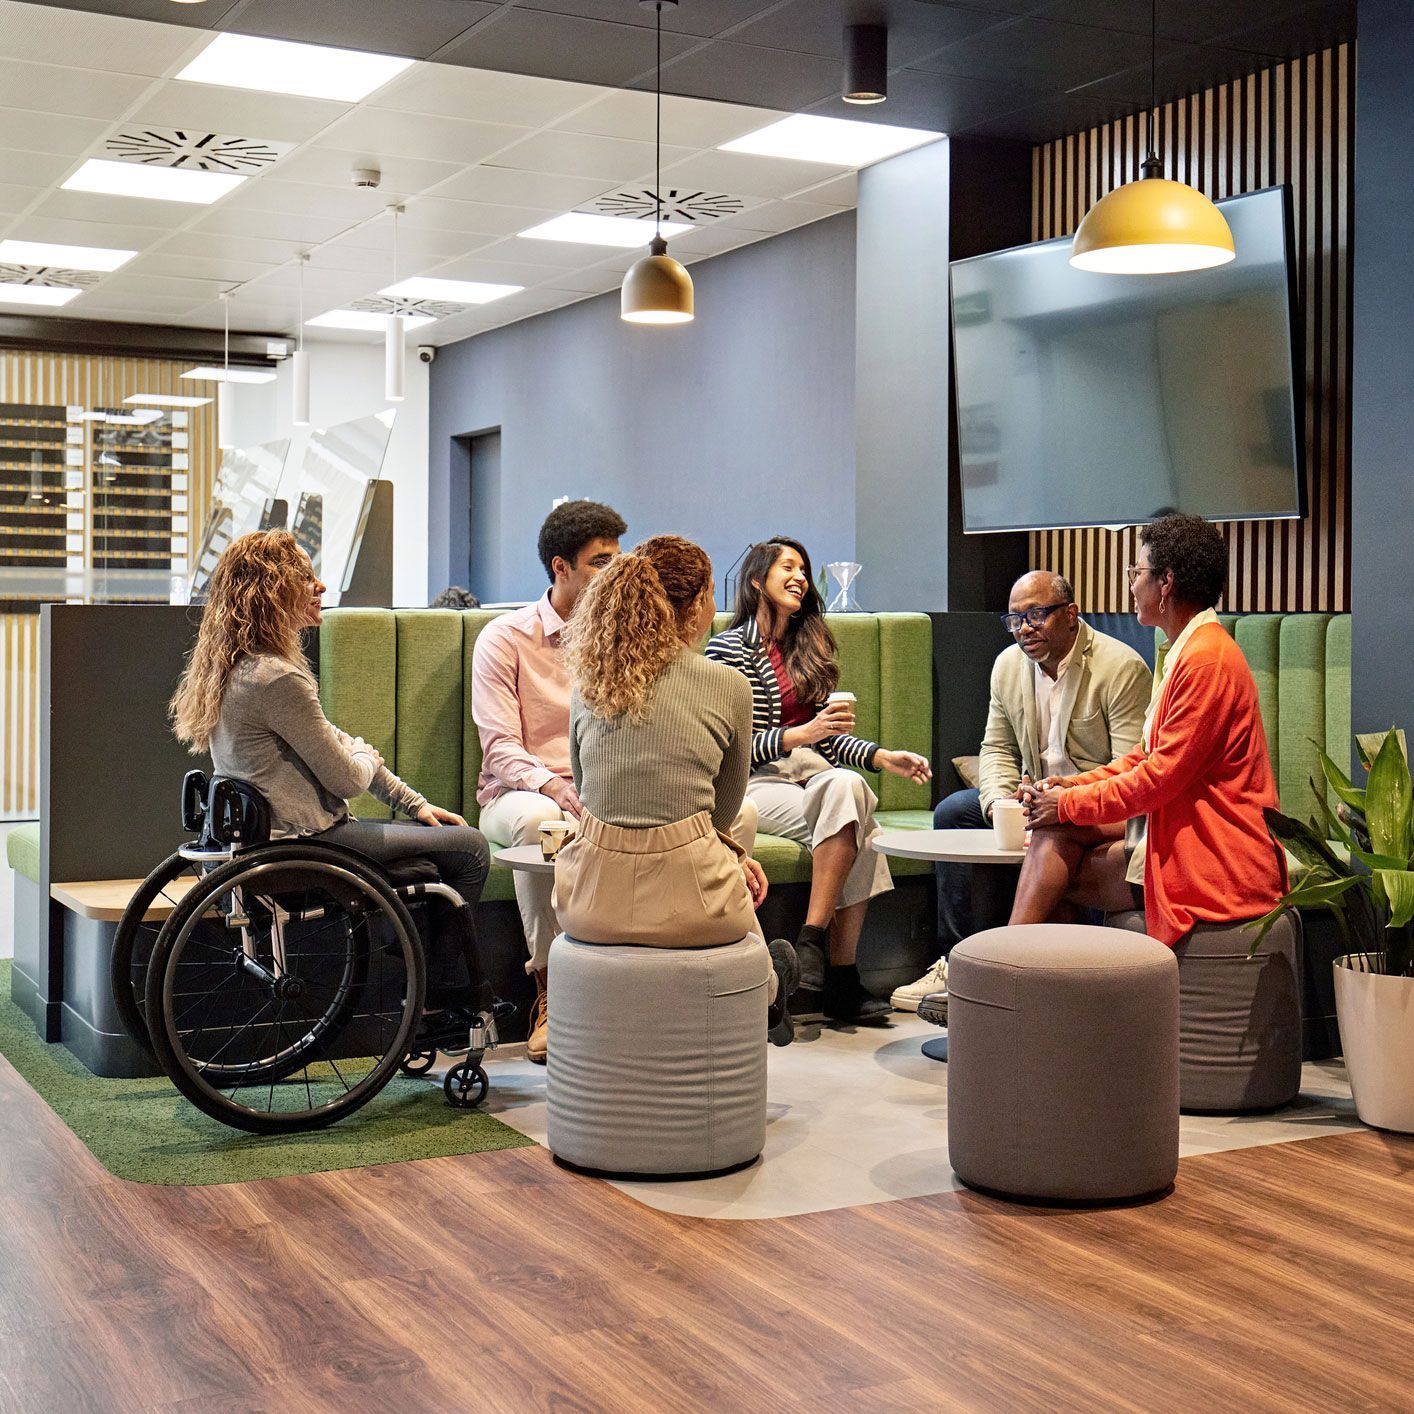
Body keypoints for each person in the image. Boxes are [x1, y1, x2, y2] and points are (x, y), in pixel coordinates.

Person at [169, 529, 490, 1015]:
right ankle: (435, 996)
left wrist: (416, 805)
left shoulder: (241, 669)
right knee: (470, 849)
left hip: (266, 842)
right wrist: (365, 756)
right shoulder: (279, 680)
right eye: (305, 577)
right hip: (309, 845)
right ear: (272, 591)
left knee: (429, 858)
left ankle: (418, 980)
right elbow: (348, 777)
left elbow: (341, 747)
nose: (320, 587)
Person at [557, 535, 799, 1044]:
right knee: (735, 895)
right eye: (713, 592)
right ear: (694, 606)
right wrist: (729, 855)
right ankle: (771, 990)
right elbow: (723, 810)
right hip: (692, 907)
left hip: (590, 902)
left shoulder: (588, 684)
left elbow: (588, 795)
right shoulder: (727, 684)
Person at [1011, 513, 1287, 943]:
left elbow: (1159, 778)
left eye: (1137, 572)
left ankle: (1004, 980)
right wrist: (1063, 790)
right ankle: (1029, 991)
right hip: (1183, 833)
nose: (1132, 584)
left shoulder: (1206, 659)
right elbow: (1143, 757)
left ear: (1166, 582)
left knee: (1052, 856)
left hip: (1217, 855)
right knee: (1052, 849)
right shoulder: (1186, 649)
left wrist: (1067, 805)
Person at [891, 570, 1151, 1015]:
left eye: (1036, 614)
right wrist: (998, 804)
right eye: (1013, 619)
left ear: (1070, 615)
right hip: (1032, 798)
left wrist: (1064, 798)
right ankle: (956, 959)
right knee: (956, 810)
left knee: (1058, 827)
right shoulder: (1008, 665)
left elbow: (1129, 769)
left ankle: (999, 973)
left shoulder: (1120, 667)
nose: (1024, 628)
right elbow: (995, 747)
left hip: (1096, 806)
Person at [706, 536, 931, 1023]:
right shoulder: (726, 648)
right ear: (755, 580)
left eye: (804, 569)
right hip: (754, 783)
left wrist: (881, 756)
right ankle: (843, 976)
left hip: (809, 776)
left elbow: (825, 743)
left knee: (851, 789)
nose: (800, 577)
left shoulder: (809, 646)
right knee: (860, 823)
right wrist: (796, 735)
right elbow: (730, 745)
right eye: (788, 567)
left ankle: (810, 943)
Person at [470, 499, 626, 1064]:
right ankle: (550, 991)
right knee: (544, 823)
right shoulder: (505, 637)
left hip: (599, 789)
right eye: (600, 563)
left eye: (617, 559)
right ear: (561, 567)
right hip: (517, 795)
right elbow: (501, 748)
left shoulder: (621, 642)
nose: (615, 572)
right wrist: (556, 786)